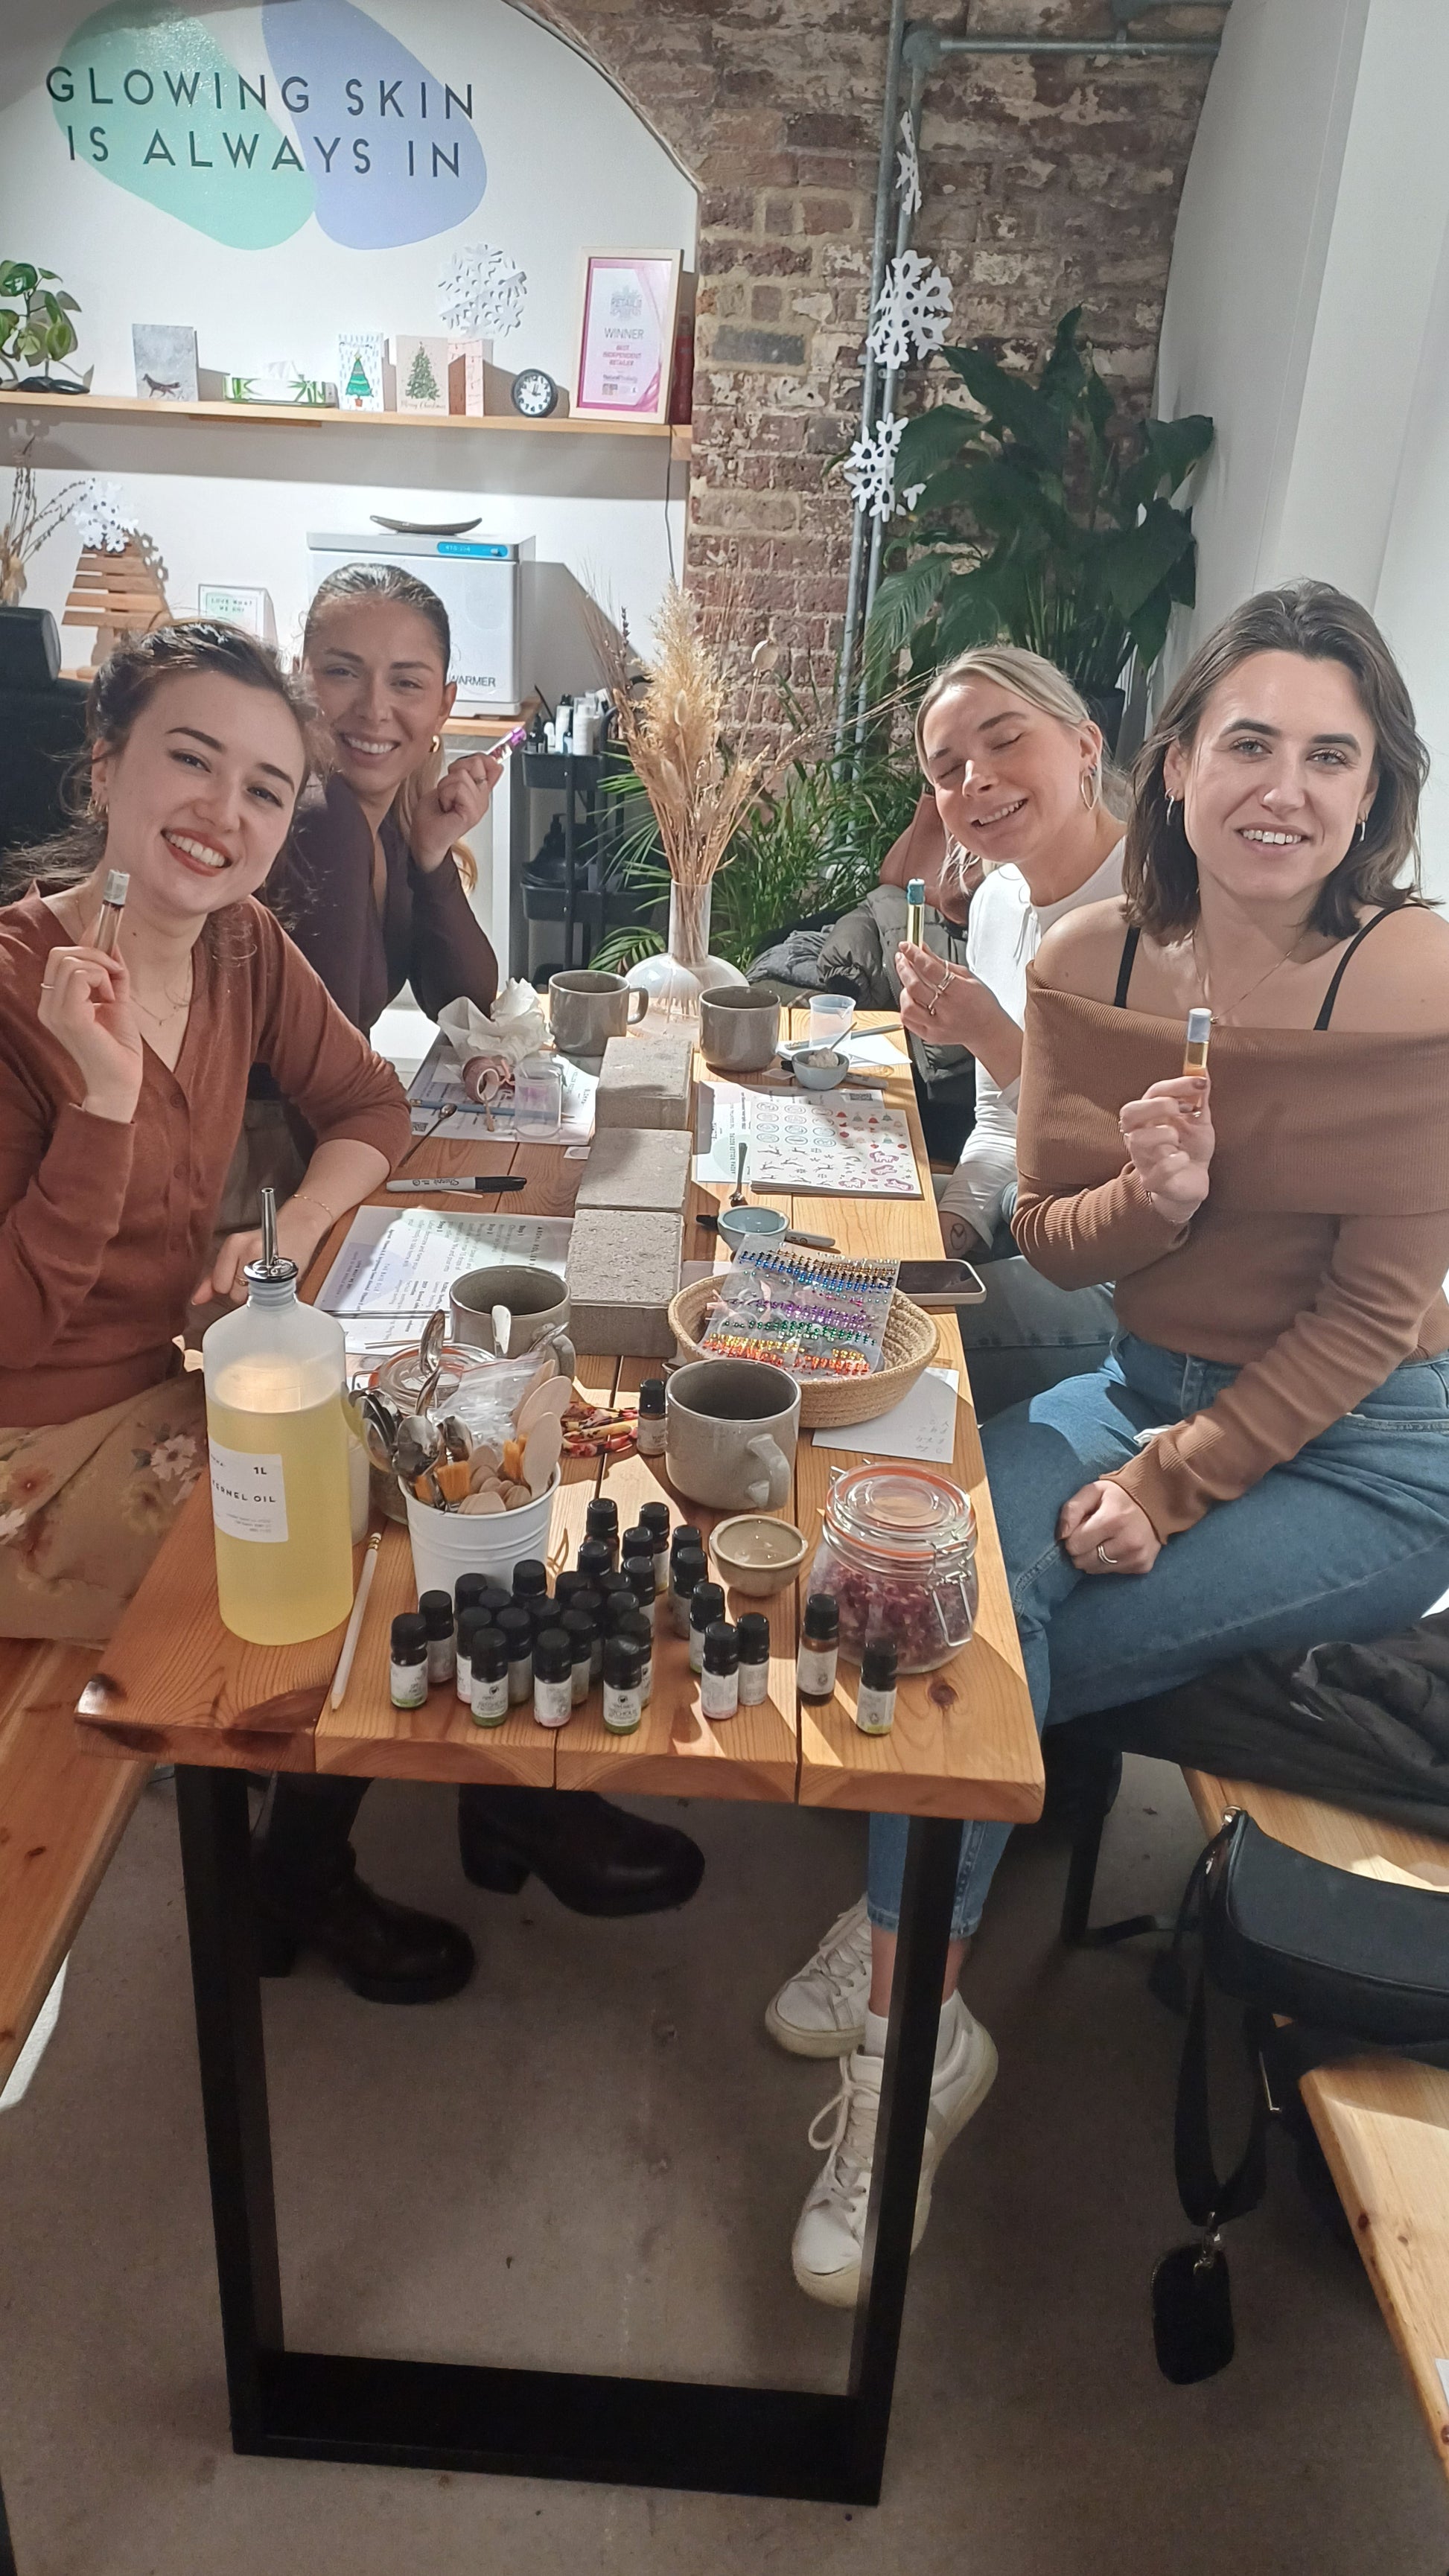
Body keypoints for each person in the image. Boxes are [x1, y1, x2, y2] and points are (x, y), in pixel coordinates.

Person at [768, 581, 1449, 2304]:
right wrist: (1150, 1205)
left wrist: (1168, 1480)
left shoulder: (1419, 975)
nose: (1282, 788)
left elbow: (1378, 1312)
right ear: (1175, 764)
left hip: (1373, 1446)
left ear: (1375, 788)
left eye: (1329, 754)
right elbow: (1057, 1242)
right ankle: (929, 1984)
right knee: (921, 1586)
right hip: (1142, 1377)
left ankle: (903, 2023)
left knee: (1003, 1646)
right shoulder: (1090, 959)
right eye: (1248, 742)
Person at [0, 622, 480, 2002]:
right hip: (28, 1450)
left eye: (267, 789)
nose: (224, 813)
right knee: (343, 1572)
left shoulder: (236, 950)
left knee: (428, 1471)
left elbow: (369, 1109)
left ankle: (466, 1813)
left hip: (168, 1381)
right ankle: (288, 1874)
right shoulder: (12, 988)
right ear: (106, 768)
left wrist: (288, 1230)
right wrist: (98, 1098)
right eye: (189, 762)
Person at [226, 560, 503, 1228]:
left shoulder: (383, 823)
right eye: (342, 672)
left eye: (406, 682)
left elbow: (465, 1001)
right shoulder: (322, 818)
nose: (375, 709)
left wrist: (432, 856)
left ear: (444, 702)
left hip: (306, 1161)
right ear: (301, 678)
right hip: (253, 1183)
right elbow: (326, 1086)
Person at [897, 646, 1127, 1420]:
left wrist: (991, 1035)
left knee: (880, 1348)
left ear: (1084, 745)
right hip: (1025, 1231)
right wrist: (951, 1224)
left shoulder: (1157, 907)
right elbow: (999, 1123)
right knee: (838, 1285)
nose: (976, 779)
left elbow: (1128, 1160)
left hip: (1126, 1278)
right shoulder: (997, 901)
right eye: (948, 766)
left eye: (1004, 740)